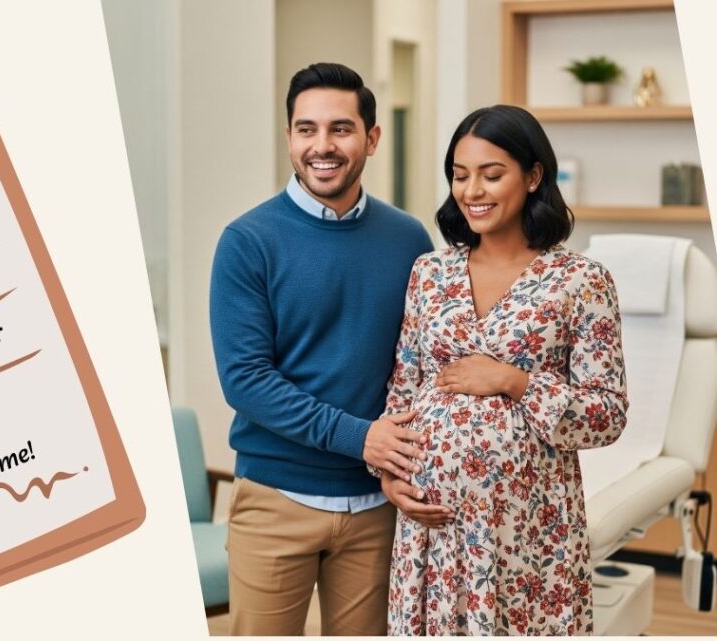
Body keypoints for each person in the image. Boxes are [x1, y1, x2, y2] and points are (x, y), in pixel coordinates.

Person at [377, 105, 628, 635]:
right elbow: (403, 390)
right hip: (433, 537)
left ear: (534, 176)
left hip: (528, 536)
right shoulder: (430, 272)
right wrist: (391, 478)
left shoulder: (580, 280)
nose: (473, 191)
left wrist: (514, 381)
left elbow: (606, 413)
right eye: (460, 175)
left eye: (492, 175)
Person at [209, 62, 433, 636]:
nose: (322, 146)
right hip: (276, 501)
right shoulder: (247, 242)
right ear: (289, 137)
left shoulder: (409, 241)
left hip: (378, 505)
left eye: (340, 128)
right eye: (306, 129)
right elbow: (247, 381)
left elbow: (424, 364)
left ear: (372, 138)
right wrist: (363, 438)